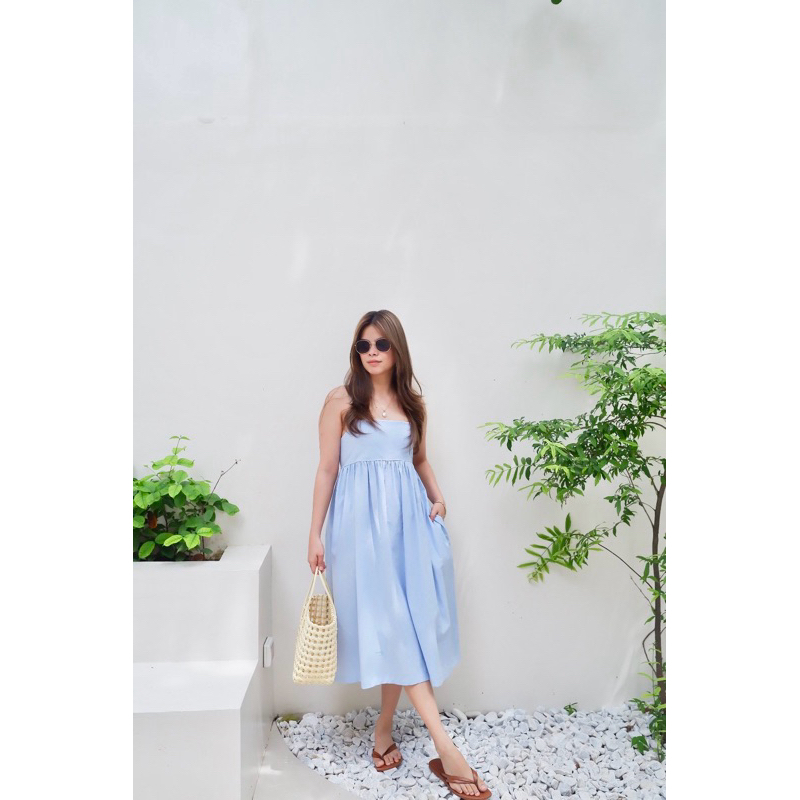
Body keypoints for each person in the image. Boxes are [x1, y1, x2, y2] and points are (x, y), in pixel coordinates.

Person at [307, 310, 491, 798]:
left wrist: (439, 497)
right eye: (364, 344)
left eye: (381, 344)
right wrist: (315, 534)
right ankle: (446, 749)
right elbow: (327, 470)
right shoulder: (340, 401)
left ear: (396, 349)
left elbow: (419, 459)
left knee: (402, 628)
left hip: (408, 528)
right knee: (395, 626)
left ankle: (384, 730)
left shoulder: (413, 404)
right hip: (359, 531)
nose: (372, 352)